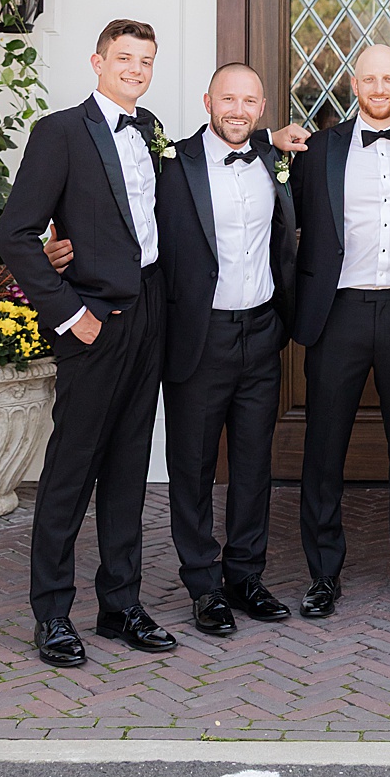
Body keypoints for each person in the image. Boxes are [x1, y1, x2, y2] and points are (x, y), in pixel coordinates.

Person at [0, 18, 175, 668]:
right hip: (94, 321)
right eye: (124, 58)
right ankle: (52, 615)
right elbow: (15, 234)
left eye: (145, 60)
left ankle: (120, 606)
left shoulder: (152, 131)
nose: (135, 69)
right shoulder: (61, 132)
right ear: (97, 62)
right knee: (72, 471)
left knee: (129, 468)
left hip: (149, 314)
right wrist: (72, 314)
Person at [287, 44, 390, 619]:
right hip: (338, 311)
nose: (379, 88)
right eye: (369, 79)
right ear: (354, 85)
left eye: (389, 78)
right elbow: (274, 204)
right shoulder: (318, 150)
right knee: (323, 445)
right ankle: (323, 573)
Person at [151, 62, 300, 638]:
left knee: (254, 463)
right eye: (228, 99)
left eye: (249, 101)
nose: (238, 110)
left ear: (262, 109)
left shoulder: (271, 159)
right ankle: (203, 584)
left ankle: (245, 576)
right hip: (199, 335)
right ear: (207, 101)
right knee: (192, 466)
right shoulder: (172, 164)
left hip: (261, 331)